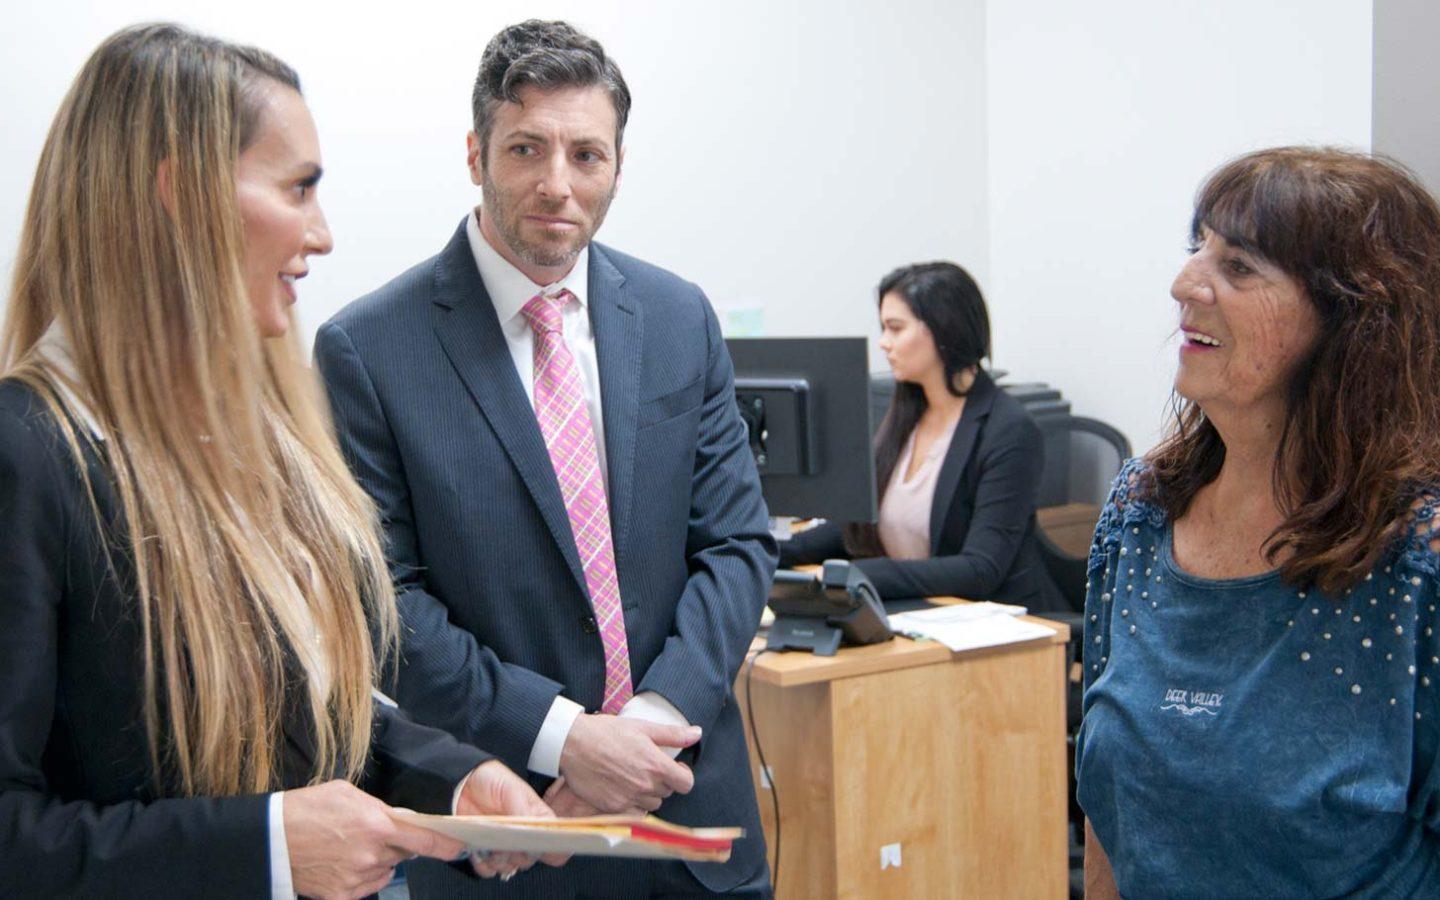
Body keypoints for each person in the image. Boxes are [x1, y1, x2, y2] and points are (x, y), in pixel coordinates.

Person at [0, 24, 563, 899]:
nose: (323, 234)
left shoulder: (249, 440)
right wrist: (261, 847)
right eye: (298, 189)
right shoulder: (28, 454)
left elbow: (294, 711)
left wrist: (448, 777)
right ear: (178, 197)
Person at [313, 18, 777, 898]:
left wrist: (643, 731)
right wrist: (567, 740)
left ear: (617, 166)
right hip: (514, 835)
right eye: (527, 148)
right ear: (475, 153)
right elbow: (384, 605)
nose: (557, 184)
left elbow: (737, 545)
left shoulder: (680, 318)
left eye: (586, 155)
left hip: (687, 809)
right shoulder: (369, 349)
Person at [1078, 147, 1440, 898]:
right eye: (1198, 247)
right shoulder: (1139, 516)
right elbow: (1109, 805)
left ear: (1353, 320)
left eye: (1240, 266)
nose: (1185, 284)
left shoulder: (1417, 564)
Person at [781, 262, 1064, 611]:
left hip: (996, 629)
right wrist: (771, 553)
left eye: (895, 328)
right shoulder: (905, 413)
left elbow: (980, 569)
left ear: (943, 330)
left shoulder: (1009, 430)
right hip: (917, 614)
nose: (884, 343)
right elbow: (855, 527)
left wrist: (861, 575)